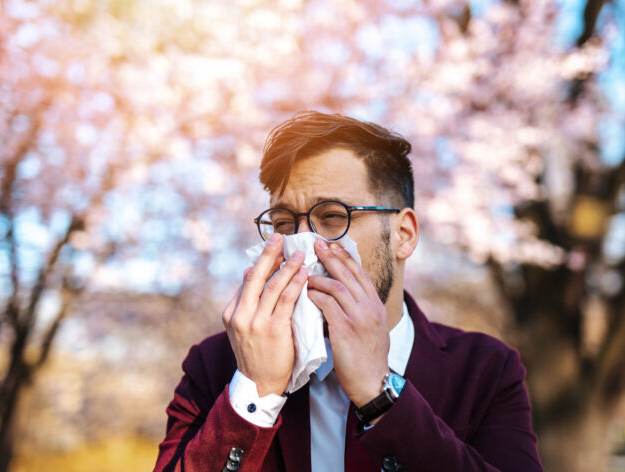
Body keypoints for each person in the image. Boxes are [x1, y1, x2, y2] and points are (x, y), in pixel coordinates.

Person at [154, 111, 544, 472]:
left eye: (333, 217)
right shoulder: (217, 365)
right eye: (285, 222)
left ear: (403, 236)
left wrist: (382, 397)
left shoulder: (485, 370)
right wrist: (254, 395)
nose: (302, 244)